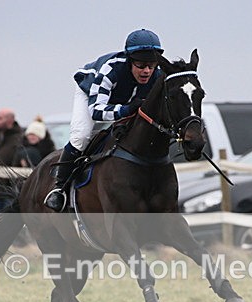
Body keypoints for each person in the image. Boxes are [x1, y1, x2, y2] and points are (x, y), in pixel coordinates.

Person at [44, 28, 165, 211]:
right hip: (91, 94)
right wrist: (125, 110)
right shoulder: (110, 70)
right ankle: (59, 189)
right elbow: (97, 111)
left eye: (151, 65)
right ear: (129, 60)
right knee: (81, 136)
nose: (147, 71)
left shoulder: (158, 75)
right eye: (141, 66)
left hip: (123, 97)